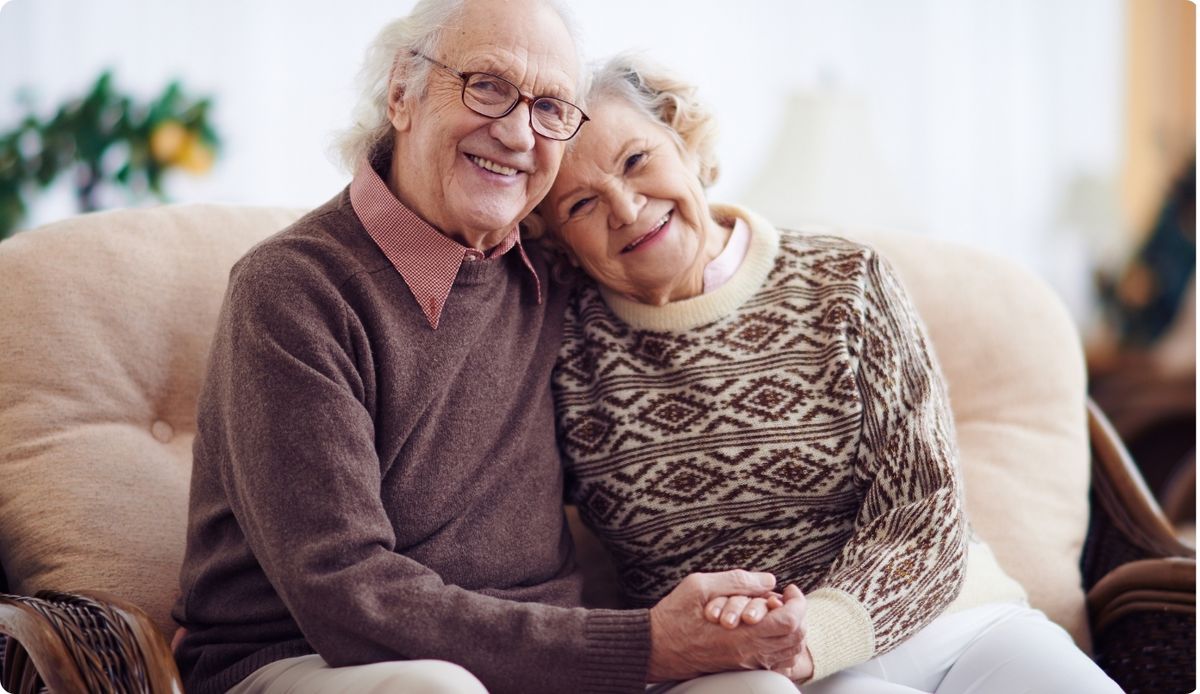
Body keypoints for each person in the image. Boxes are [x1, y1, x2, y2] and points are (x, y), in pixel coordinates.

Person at [172, 2, 809, 693]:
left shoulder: (551, 271)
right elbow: (345, 595)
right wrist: (646, 645)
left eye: (550, 108)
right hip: (317, 659)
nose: (516, 134)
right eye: (487, 87)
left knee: (758, 691)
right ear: (401, 94)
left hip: (542, 666)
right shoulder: (294, 290)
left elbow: (675, 267)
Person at [533, 53, 1125, 693]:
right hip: (747, 671)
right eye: (581, 204)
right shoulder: (563, 349)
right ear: (557, 239)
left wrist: (814, 634)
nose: (624, 207)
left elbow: (925, 509)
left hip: (957, 625)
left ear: (683, 139)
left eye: (636, 160)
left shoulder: (846, 281)